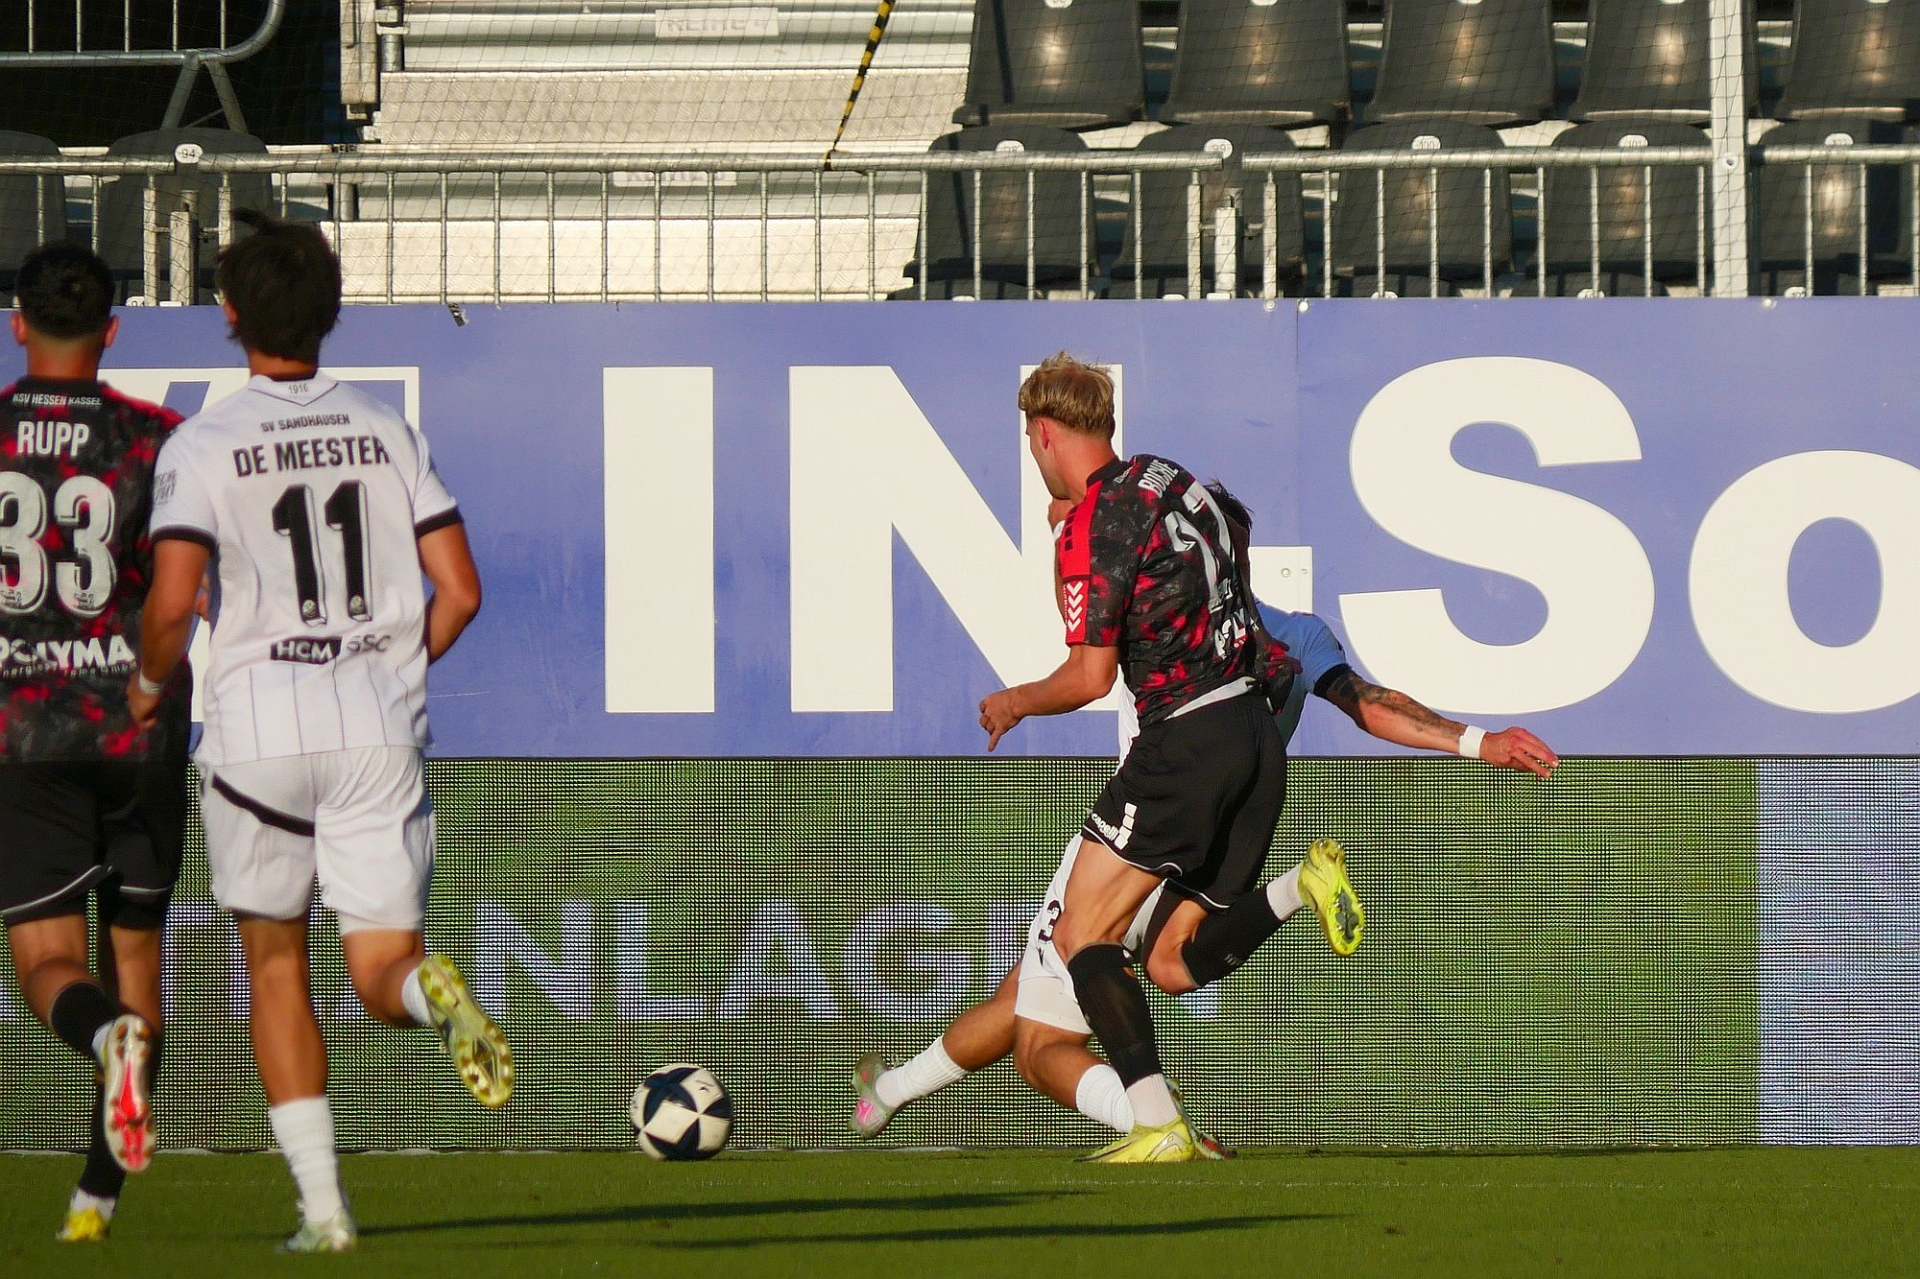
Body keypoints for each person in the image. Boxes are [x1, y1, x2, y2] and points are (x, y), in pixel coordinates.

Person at [852, 485, 1559, 1148]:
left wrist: (1065, 536)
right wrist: (1479, 741)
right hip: (1228, 829)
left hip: (1140, 829)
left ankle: (1152, 1121)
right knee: (1120, 975)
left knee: (1040, 1044)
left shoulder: (1162, 625)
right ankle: (887, 1092)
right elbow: (1367, 703)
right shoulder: (1295, 634)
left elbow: (1087, 633)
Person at [125, 211, 510, 1253]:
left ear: (229, 314)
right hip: (374, 727)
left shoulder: (205, 442)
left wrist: (151, 686)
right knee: (383, 970)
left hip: (256, 733)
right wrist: (389, 672)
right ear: (332, 313)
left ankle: (325, 1211)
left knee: (276, 971)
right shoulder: (386, 430)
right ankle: (433, 998)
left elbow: (172, 603)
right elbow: (461, 590)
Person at [0, 242, 192, 1242]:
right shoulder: (160, 437)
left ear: (17, 324)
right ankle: (96, 1197)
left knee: (47, 962)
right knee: (137, 965)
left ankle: (102, 1041)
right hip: (139, 726)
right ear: (113, 330)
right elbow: (185, 590)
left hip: (25, 728)